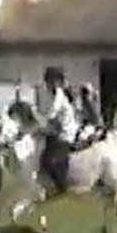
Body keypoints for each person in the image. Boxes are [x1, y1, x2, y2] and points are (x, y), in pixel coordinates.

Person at [35, 66, 79, 196]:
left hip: (65, 133)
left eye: (49, 82)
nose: (48, 86)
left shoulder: (59, 95)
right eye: (47, 82)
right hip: (58, 129)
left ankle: (61, 186)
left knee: (51, 159)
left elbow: (52, 115)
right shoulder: (56, 95)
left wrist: (39, 124)